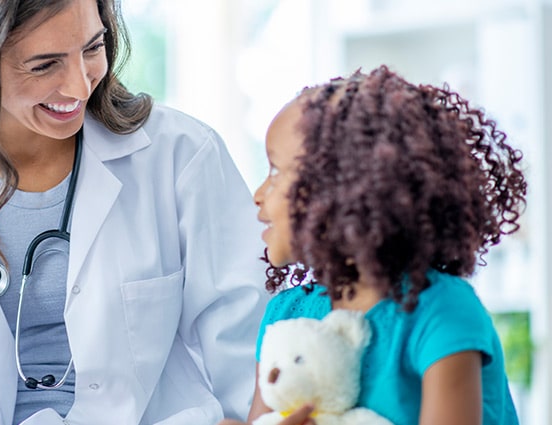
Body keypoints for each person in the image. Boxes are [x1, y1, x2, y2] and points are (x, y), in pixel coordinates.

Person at [0, 0, 268, 424]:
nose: (78, 86)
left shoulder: (180, 155)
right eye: (44, 65)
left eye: (92, 48)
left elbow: (247, 346)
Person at [219, 65, 526, 425]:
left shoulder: (441, 311)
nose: (258, 195)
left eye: (275, 172)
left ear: (341, 189)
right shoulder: (286, 316)